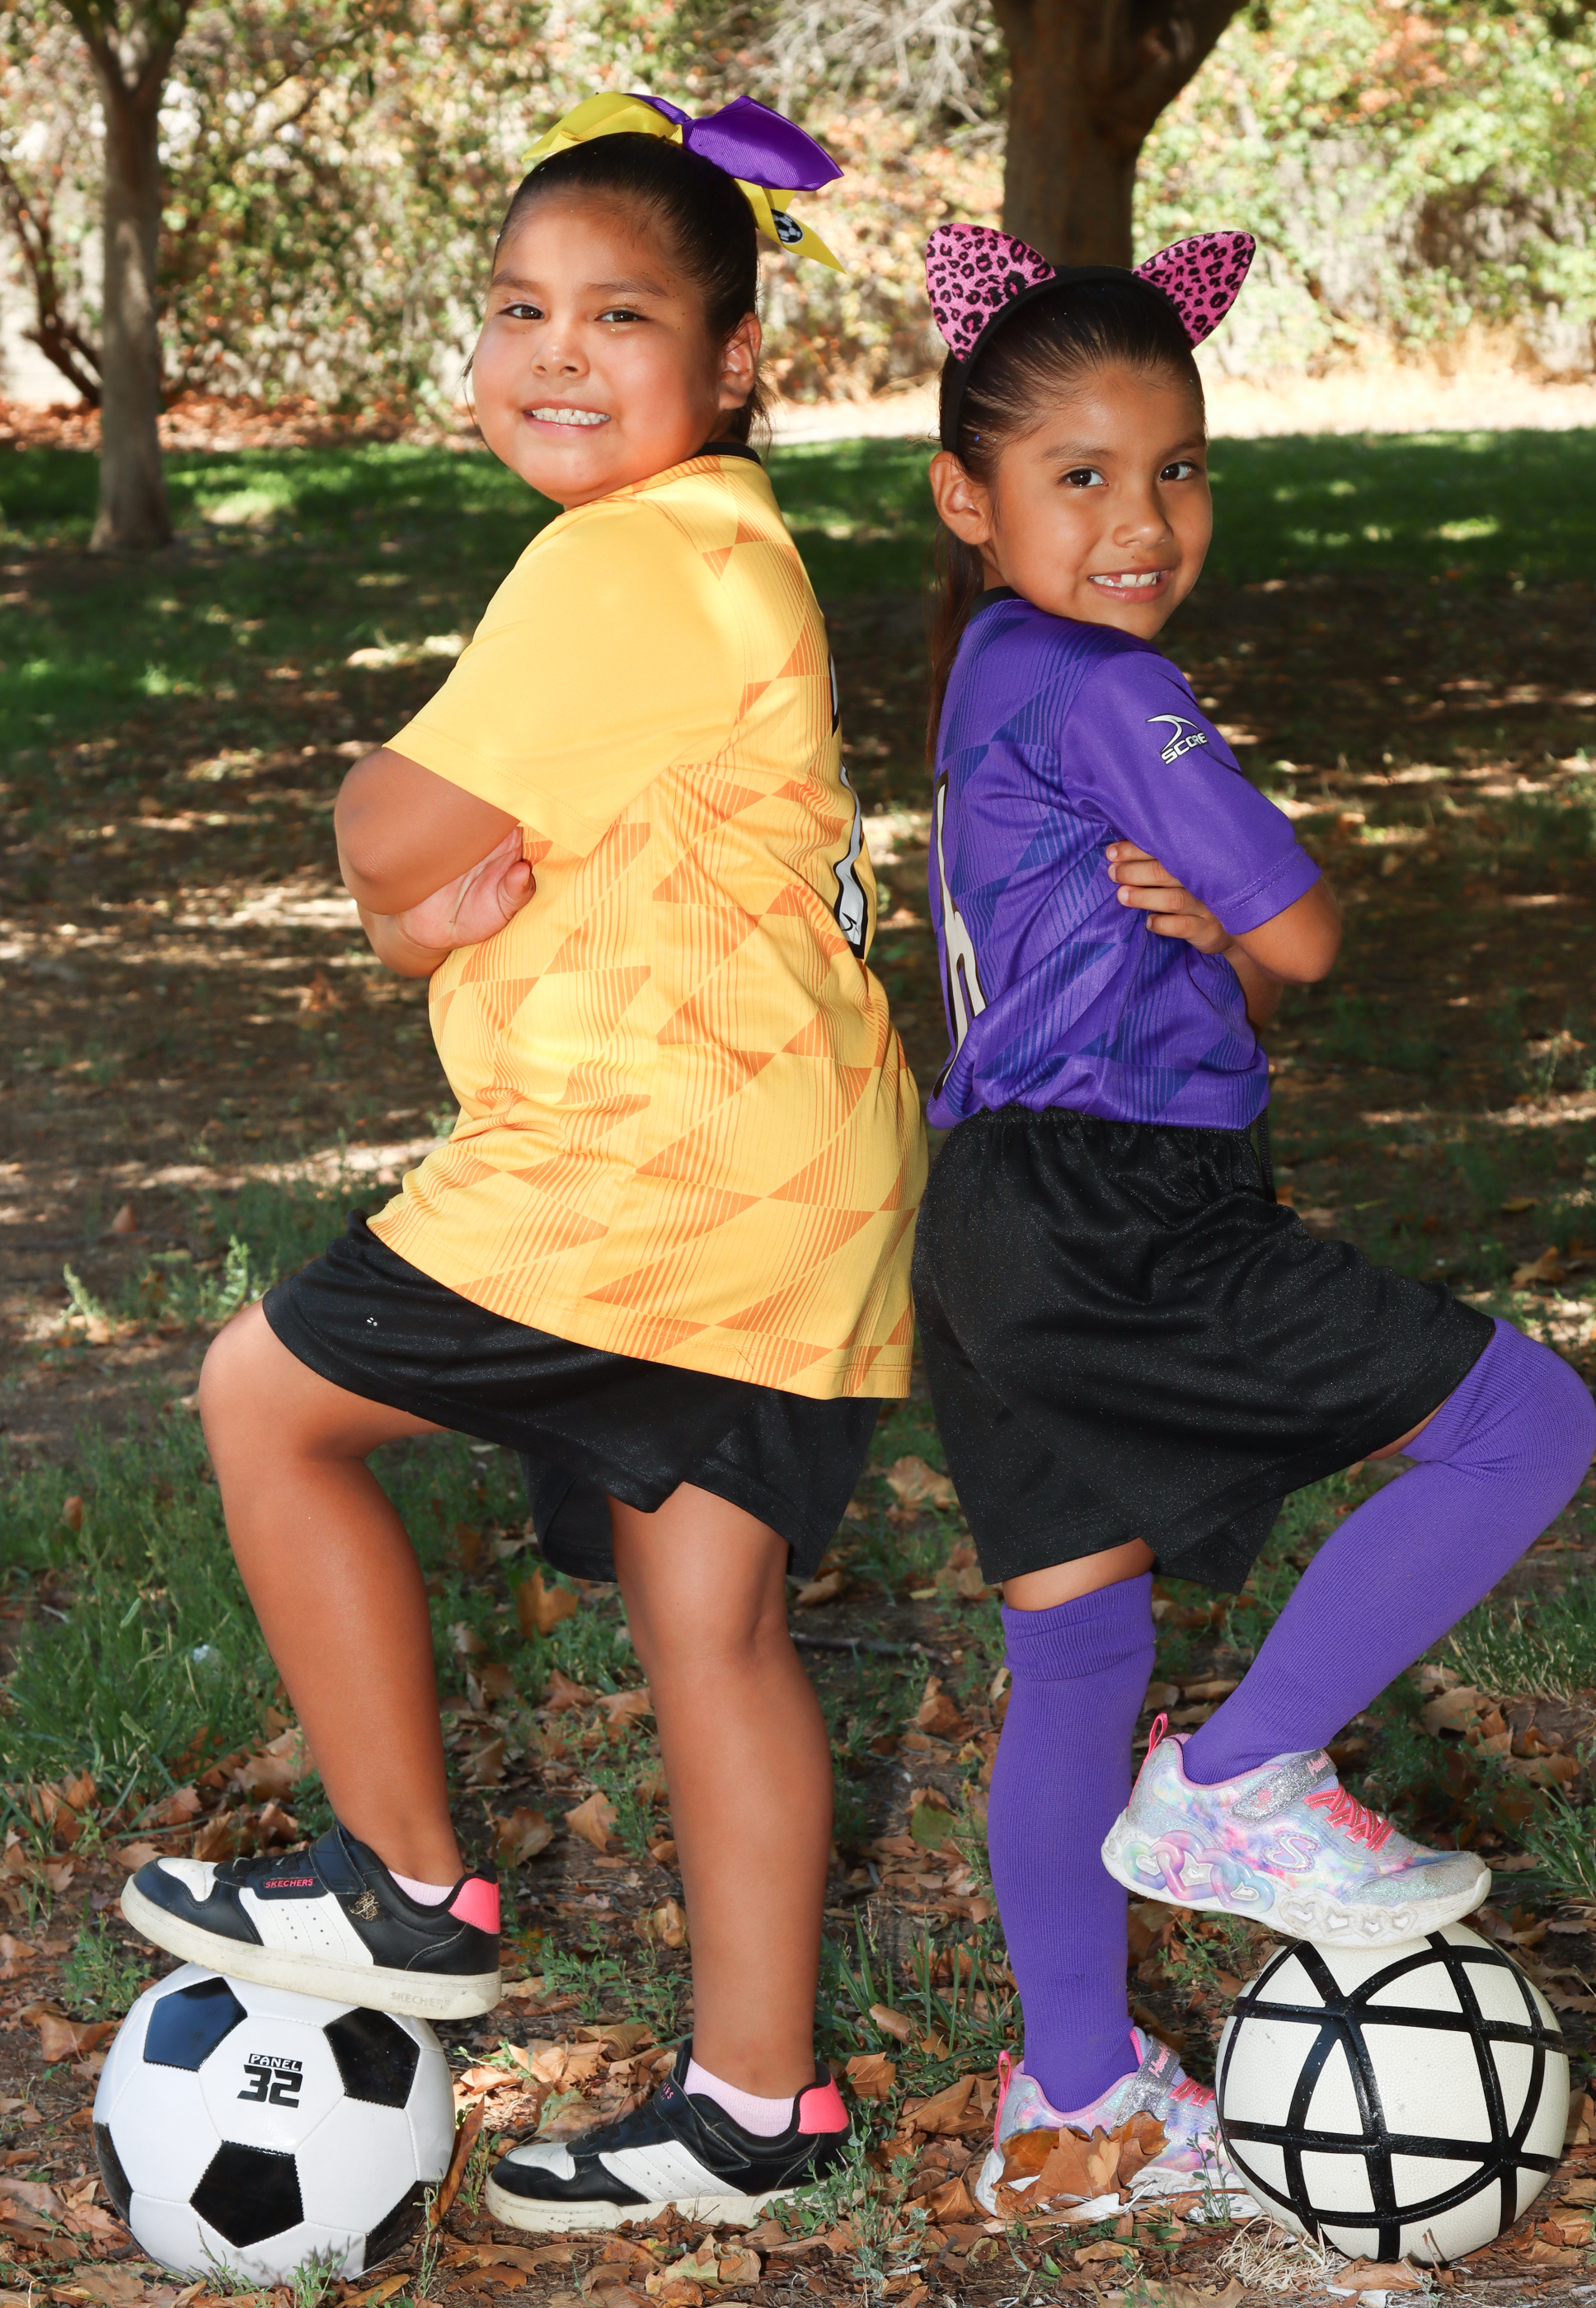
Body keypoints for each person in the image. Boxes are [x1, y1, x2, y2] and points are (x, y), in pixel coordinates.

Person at [120, 92, 925, 2233]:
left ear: (732, 359)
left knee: (266, 1399)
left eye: (621, 315)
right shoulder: (728, 544)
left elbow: (394, 832)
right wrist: (419, 898)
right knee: (711, 1622)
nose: (556, 353)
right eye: (518, 308)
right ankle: (755, 2104)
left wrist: (383, 838)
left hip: (654, 1164)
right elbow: (445, 895)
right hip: (813, 1186)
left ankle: (401, 1882)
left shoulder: (622, 558)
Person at [911, 222, 1596, 2214]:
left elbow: (1219, 964)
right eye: (1080, 475)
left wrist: (1207, 931)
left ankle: (1077, 2103)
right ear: (965, 496)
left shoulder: (987, 673)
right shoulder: (1115, 687)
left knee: (1075, 1651)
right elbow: (1304, 929)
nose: (1142, 521)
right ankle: (1242, 1776)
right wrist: (1251, 912)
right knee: (1524, 1420)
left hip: (986, 1218)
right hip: (1119, 1203)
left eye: (1178, 467)